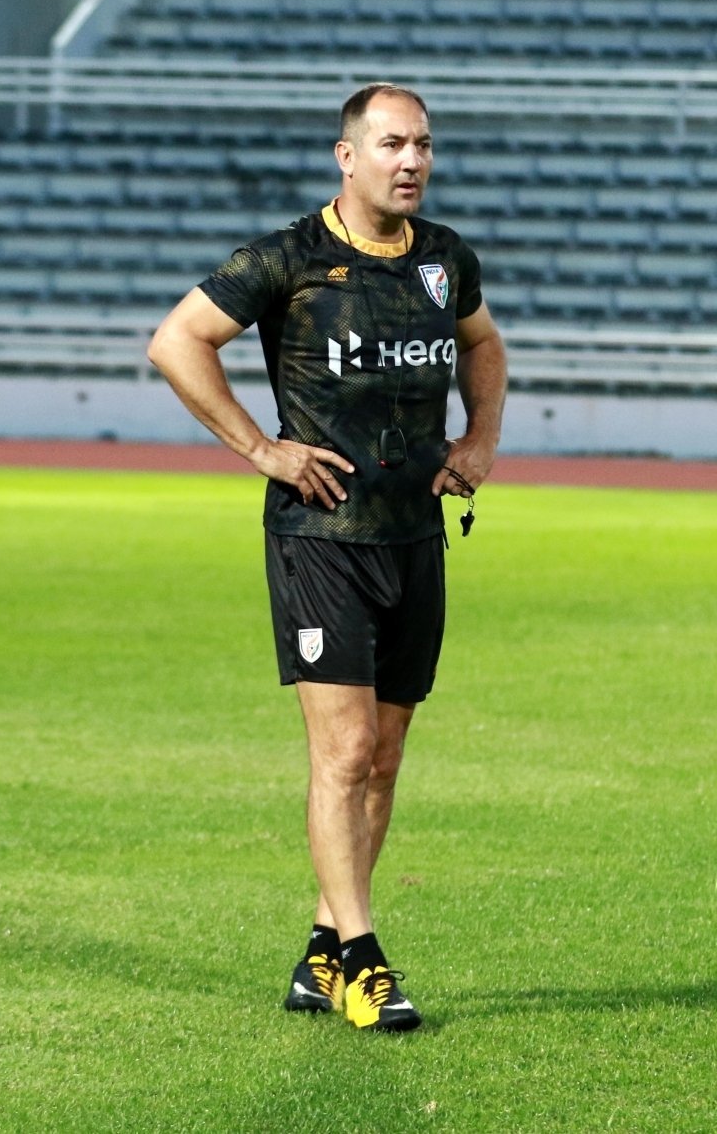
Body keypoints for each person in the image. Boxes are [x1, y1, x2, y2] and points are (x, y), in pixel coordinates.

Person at [146, 84, 506, 1032]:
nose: (412, 161)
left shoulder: (444, 259)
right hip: (321, 540)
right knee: (343, 751)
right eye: (392, 143)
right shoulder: (290, 257)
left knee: (384, 759)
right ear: (347, 157)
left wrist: (479, 443)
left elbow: (485, 345)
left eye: (423, 144)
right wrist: (263, 450)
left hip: (413, 537)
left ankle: (320, 952)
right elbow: (177, 340)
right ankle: (363, 957)